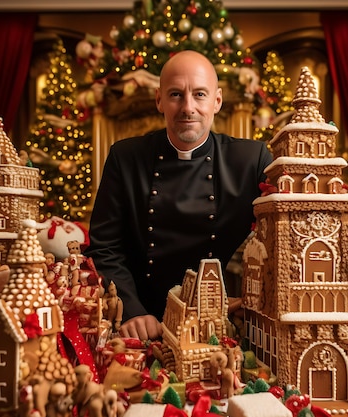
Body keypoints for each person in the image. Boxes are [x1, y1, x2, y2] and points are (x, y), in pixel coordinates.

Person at [85, 50, 273, 341]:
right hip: (141, 322)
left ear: (217, 101)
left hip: (215, 322)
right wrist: (131, 310)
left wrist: (250, 303)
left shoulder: (251, 160)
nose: (188, 107)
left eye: (199, 94)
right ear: (159, 100)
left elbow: (283, 232)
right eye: (175, 94)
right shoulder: (125, 157)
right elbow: (105, 248)